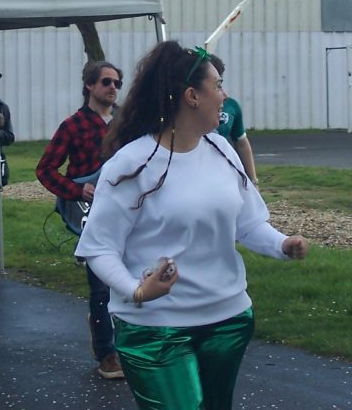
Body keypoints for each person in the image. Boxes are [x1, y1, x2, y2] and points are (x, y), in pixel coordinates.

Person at [76, 42, 309, 409]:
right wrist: (136, 291)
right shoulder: (131, 163)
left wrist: (281, 245)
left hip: (227, 321)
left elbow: (247, 224)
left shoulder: (222, 150)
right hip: (155, 328)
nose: (225, 95)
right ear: (191, 96)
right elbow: (99, 248)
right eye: (217, 85)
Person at [37, 59, 126, 379]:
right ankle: (106, 353)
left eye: (117, 82)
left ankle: (123, 341)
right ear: (89, 85)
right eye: (106, 82)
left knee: (128, 281)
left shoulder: (126, 122)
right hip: (91, 213)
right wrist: (75, 190)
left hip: (126, 212)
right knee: (101, 286)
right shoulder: (73, 125)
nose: (113, 87)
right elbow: (45, 169)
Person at [210, 55, 258, 186]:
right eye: (216, 85)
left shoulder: (232, 106)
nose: (224, 95)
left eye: (220, 84)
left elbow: (241, 143)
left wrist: (253, 181)